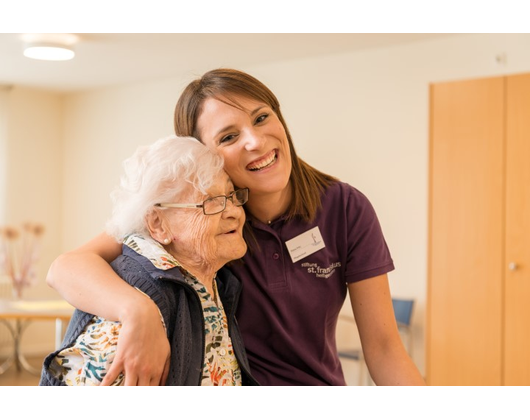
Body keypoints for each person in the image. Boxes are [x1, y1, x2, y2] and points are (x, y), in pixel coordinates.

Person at [47, 68, 425, 386]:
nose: (255, 141)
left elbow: (384, 347)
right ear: (202, 154)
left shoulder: (345, 207)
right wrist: (136, 311)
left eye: (262, 117)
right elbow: (66, 267)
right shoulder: (194, 225)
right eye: (229, 136)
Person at [39, 135, 259, 386]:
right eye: (212, 202)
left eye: (231, 196)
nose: (232, 212)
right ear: (157, 224)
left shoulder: (212, 281)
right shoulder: (138, 303)